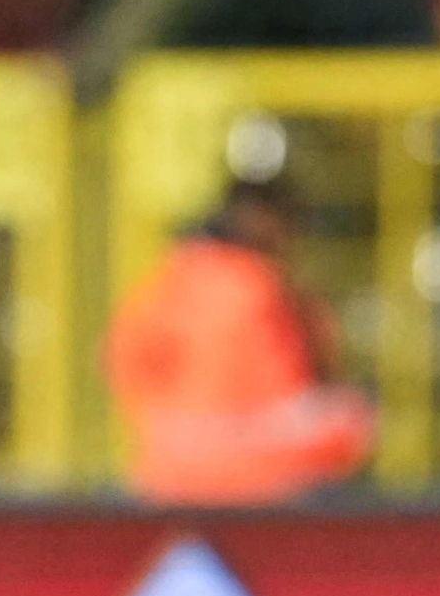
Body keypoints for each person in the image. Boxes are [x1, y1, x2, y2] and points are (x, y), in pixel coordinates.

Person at [103, 177, 375, 502]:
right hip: (255, 474)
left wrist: (176, 428)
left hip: (167, 468)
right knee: (350, 416)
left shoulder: (172, 277)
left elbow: (124, 361)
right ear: (266, 220)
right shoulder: (262, 288)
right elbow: (289, 393)